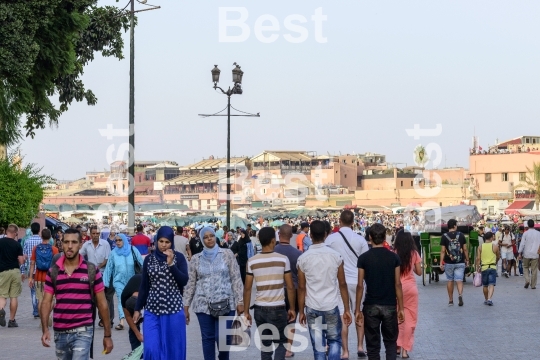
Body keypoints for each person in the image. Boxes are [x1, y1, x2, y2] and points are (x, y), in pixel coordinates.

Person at [40, 228, 114, 358]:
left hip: (83, 330)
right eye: (66, 242)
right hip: (60, 331)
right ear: (61, 244)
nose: (69, 246)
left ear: (80, 244)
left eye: (74, 242)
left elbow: (102, 304)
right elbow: (46, 302)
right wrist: (45, 329)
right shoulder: (53, 272)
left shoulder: (91, 270)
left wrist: (107, 335)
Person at [183, 226, 244, 360]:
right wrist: (186, 305)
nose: (209, 239)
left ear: (215, 236)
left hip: (226, 303)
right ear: (201, 240)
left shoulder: (227, 254)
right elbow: (191, 283)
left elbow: (236, 278)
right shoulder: (196, 259)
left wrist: (240, 301)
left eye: (211, 235)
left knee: (222, 338)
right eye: (205, 237)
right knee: (208, 338)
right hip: (203, 305)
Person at [297, 220, 352, 360]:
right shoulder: (336, 256)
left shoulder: (303, 259)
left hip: (312, 305)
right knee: (334, 341)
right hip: (331, 305)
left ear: (311, 235)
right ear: (326, 234)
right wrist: (346, 309)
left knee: (318, 346)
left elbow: (302, 288)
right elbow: (342, 283)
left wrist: (301, 311)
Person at [134, 226, 189, 359]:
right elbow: (144, 285)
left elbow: (184, 281)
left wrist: (171, 265)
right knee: (151, 348)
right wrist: (137, 308)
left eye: (167, 242)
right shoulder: (149, 259)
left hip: (173, 311)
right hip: (152, 310)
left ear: (172, 242)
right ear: (157, 241)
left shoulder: (179, 258)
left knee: (173, 349)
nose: (164, 245)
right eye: (161, 241)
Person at [244, 227, 296, 360]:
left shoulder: (252, 261)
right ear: (273, 241)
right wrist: (292, 309)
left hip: (259, 309)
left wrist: (246, 312)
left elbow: (248, 288)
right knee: (281, 343)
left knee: (266, 346)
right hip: (278, 308)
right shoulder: (283, 259)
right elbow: (290, 287)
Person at [355, 223, 405, 360]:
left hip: (370, 305)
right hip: (389, 305)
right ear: (385, 238)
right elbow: (398, 284)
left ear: (370, 237)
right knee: (390, 343)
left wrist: (357, 309)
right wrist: (401, 307)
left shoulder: (363, 258)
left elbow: (360, 285)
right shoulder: (394, 258)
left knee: (372, 346)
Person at [325, 210, 369, 359]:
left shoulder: (331, 239)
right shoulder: (360, 240)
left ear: (340, 221)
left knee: (344, 315)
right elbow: (365, 262)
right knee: (359, 312)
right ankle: (360, 346)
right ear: (353, 221)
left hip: (339, 282)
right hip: (358, 281)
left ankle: (345, 351)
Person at [102, 233, 143, 331]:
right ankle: (121, 321)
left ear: (124, 240)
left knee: (133, 300)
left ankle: (134, 317)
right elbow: (109, 268)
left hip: (132, 281)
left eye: (120, 240)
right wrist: (105, 283)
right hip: (118, 280)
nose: (118, 242)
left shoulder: (132, 249)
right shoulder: (113, 253)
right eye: (116, 240)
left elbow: (141, 263)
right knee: (121, 299)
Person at [274, 224, 302, 358]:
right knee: (291, 320)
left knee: (278, 320)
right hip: (294, 290)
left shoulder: (272, 251)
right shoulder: (298, 254)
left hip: (276, 290)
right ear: (291, 236)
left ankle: (278, 345)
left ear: (279, 234)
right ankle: (288, 349)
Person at [393, 230, 421, 358]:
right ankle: (405, 350)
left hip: (397, 288)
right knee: (410, 319)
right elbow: (419, 272)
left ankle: (397, 347)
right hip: (411, 288)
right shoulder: (414, 253)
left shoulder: (394, 253)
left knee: (397, 318)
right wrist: (413, 266)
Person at [81, 225, 114, 328]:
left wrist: (97, 267)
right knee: (93, 298)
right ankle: (96, 319)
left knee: (106, 298)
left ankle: (109, 320)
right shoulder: (86, 245)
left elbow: (107, 259)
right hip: (91, 275)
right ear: (90, 234)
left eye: (97, 233)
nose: (95, 235)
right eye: (93, 233)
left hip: (104, 273)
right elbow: (79, 255)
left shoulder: (105, 244)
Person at [28, 229, 59, 327]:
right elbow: (57, 265)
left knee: (40, 299)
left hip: (38, 277)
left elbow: (32, 263)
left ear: (41, 236)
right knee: (51, 299)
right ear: (50, 237)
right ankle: (47, 316)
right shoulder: (54, 249)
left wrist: (30, 277)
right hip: (51, 277)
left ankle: (43, 320)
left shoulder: (36, 248)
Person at [440, 219, 469, 306]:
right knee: (459, 280)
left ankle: (450, 300)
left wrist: (441, 262)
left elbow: (442, 251)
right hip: (460, 261)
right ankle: (460, 295)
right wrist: (467, 260)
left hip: (449, 262)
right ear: (455, 226)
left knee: (450, 280)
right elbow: (465, 249)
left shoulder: (444, 236)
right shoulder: (461, 235)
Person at [0, 224, 25, 328]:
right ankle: (12, 320)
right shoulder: (17, 245)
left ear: (6, 232)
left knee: (2, 295)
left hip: (3, 272)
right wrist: (24, 258)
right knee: (14, 296)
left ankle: (1, 310)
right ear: (15, 233)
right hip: (15, 271)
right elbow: (21, 261)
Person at [23, 222, 42, 319]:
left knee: (33, 291)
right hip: (41, 270)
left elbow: (24, 256)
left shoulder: (27, 241)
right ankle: (40, 309)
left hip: (31, 270)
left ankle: (35, 311)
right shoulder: (42, 241)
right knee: (41, 290)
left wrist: (23, 271)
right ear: (39, 230)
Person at [475, 232, 500, 306]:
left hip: (484, 267)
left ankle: (486, 299)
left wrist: (478, 267)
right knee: (491, 284)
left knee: (485, 285)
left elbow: (478, 258)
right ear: (491, 238)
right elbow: (498, 256)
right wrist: (495, 262)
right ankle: (489, 299)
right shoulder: (495, 246)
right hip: (492, 267)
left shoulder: (480, 247)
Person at [121, 274, 143, 351]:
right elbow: (128, 316)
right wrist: (138, 334)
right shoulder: (124, 296)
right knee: (134, 329)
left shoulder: (147, 290)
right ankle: (136, 353)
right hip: (134, 301)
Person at [518, 219, 540, 289]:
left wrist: (519, 253)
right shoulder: (538, 233)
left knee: (525, 267)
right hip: (535, 253)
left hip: (526, 253)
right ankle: (533, 285)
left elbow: (522, 244)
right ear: (534, 224)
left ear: (527, 225)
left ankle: (527, 280)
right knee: (534, 270)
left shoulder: (525, 233)